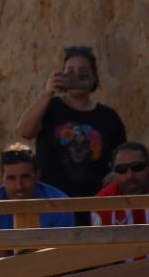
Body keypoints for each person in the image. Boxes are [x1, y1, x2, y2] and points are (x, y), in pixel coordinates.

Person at [15, 45, 128, 205]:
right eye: (70, 71)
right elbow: (24, 131)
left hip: (95, 202)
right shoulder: (51, 107)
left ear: (94, 77)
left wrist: (117, 174)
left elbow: (124, 156)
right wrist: (48, 93)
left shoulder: (108, 117)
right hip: (52, 203)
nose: (76, 75)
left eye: (83, 70)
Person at [0, 146, 75, 246]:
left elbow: (61, 255)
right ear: (2, 179)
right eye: (11, 178)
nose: (19, 186)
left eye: (25, 177)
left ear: (37, 176)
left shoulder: (59, 204)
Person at [89, 142, 149, 225]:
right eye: (122, 169)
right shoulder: (102, 203)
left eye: (137, 167)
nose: (130, 176)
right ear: (114, 173)